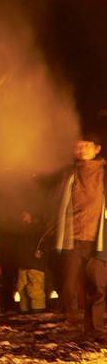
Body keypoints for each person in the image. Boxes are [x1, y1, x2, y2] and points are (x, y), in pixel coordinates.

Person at [54, 133, 107, 333]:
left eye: (86, 145)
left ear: (97, 149)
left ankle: (95, 328)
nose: (81, 149)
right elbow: (57, 203)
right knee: (69, 286)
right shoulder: (69, 174)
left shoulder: (104, 173)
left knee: (97, 287)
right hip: (74, 238)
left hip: (99, 239)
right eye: (78, 146)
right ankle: (75, 321)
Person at [12, 211, 46, 313]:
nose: (23, 218)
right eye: (21, 216)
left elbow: (44, 244)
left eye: (26, 215)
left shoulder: (37, 230)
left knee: (35, 290)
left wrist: (41, 252)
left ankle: (38, 311)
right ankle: (24, 310)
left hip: (35, 265)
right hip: (23, 265)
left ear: (31, 217)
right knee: (21, 289)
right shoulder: (19, 232)